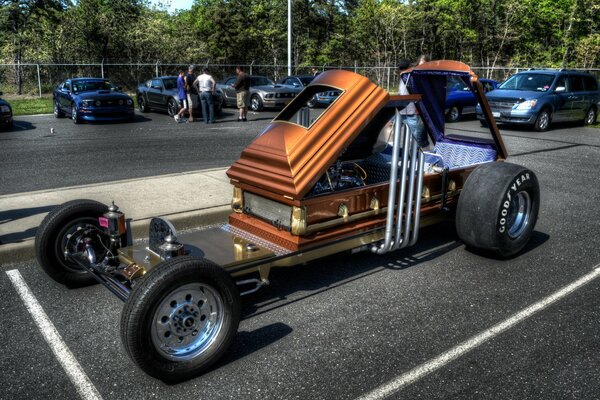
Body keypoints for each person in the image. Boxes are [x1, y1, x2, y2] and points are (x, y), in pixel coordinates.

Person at [397, 58, 429, 148]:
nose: (402, 71)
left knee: (416, 138)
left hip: (413, 113)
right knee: (403, 136)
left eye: (404, 69)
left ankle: (418, 156)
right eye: (401, 69)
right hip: (402, 111)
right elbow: (402, 93)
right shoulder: (404, 77)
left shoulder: (414, 76)